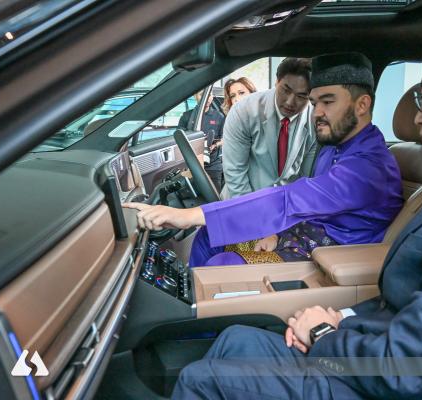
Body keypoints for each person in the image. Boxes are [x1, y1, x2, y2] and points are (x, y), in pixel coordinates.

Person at [162, 9, 422, 399]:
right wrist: (341, 318)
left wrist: (323, 334)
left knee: (205, 379)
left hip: (414, 388)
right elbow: (408, 306)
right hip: (387, 354)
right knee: (236, 342)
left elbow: (409, 370)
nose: (417, 117)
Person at [125, 52, 403, 268]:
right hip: (301, 236)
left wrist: (188, 216)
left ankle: (202, 319)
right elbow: (300, 202)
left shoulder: (369, 167)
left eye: (327, 102)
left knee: (224, 264)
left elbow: (293, 199)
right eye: (314, 102)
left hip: (330, 255)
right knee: (208, 237)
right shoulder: (337, 145)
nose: (317, 112)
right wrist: (275, 233)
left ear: (362, 105)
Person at [222, 58, 318, 198]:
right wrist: (249, 208)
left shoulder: (315, 118)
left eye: (301, 96)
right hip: (243, 198)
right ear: (276, 82)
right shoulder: (243, 111)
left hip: (285, 203)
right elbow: (235, 173)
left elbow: (306, 176)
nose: (290, 102)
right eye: (286, 90)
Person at [179, 89, 226, 191]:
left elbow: (225, 138)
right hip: (193, 164)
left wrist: (215, 145)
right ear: (195, 96)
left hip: (213, 165)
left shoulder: (219, 116)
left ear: (212, 97)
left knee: (215, 194)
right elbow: (179, 139)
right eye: (202, 95)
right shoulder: (187, 116)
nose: (207, 98)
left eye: (209, 95)